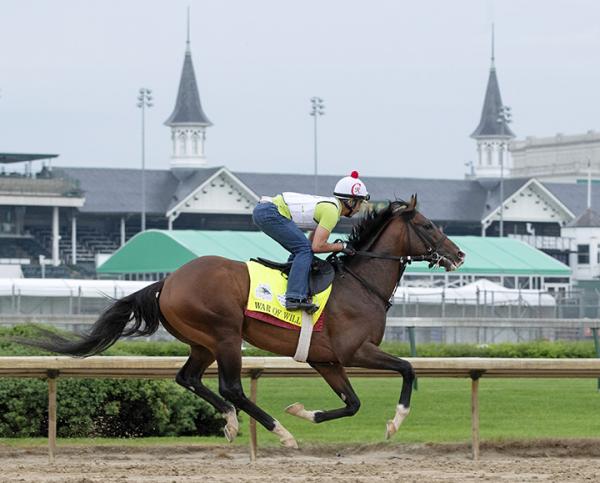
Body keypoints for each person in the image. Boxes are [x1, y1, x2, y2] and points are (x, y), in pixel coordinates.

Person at [253, 171, 369, 312]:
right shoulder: (332, 212)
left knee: (303, 249)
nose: (359, 208)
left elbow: (312, 243)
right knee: (304, 250)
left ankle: (292, 282)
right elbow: (317, 246)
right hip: (269, 212)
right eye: (360, 203)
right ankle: (294, 298)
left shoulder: (331, 208)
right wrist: (342, 246)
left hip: (266, 210)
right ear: (350, 202)